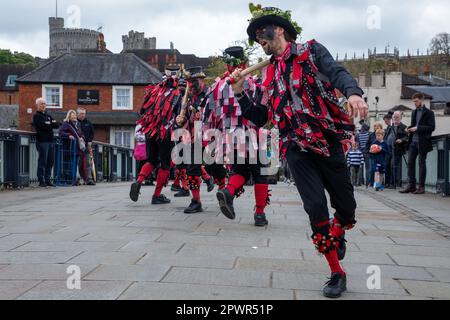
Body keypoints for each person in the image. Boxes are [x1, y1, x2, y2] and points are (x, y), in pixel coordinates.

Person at [228, 4, 368, 298]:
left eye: (261, 32)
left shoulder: (312, 51)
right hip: (295, 145)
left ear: (279, 30)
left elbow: (337, 72)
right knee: (315, 206)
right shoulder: (269, 74)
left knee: (346, 208)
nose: (258, 39)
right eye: (255, 37)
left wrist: (353, 92)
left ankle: (338, 233)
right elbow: (259, 117)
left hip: (327, 140)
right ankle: (336, 273)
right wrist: (240, 92)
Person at [205, 46, 271, 227]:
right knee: (260, 173)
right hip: (252, 136)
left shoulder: (217, 87)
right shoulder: (252, 83)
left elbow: (209, 115)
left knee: (240, 171)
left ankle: (228, 191)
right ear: (244, 62)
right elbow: (262, 109)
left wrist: (209, 140)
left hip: (228, 137)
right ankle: (259, 214)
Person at [129, 66, 182, 204]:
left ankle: (139, 181)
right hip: (165, 132)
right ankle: (157, 195)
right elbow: (179, 116)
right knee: (165, 164)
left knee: (151, 160)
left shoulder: (154, 90)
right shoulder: (178, 93)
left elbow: (142, 110)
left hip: (150, 131)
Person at [400, 93, 436, 194]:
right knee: (410, 163)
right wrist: (408, 128)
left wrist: (418, 128)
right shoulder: (414, 112)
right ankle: (411, 185)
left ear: (421, 100)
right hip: (413, 141)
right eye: (414, 101)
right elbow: (413, 125)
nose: (414, 103)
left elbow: (432, 127)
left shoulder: (429, 113)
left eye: (416, 101)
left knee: (421, 163)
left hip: (423, 142)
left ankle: (421, 187)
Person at [32, 98, 59, 188]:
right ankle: (41, 180)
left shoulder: (48, 115)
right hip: (42, 141)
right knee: (42, 161)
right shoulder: (36, 116)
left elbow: (56, 125)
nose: (43, 105)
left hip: (50, 141)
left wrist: (49, 123)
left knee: (50, 161)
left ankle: (48, 180)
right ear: (37, 105)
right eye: (41, 104)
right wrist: (50, 124)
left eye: (44, 103)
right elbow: (43, 126)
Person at [59, 110, 86, 186]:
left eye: (74, 115)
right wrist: (68, 135)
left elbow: (81, 134)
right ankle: (68, 179)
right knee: (69, 164)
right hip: (69, 147)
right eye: (72, 115)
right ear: (69, 116)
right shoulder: (66, 124)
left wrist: (82, 138)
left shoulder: (77, 125)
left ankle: (74, 179)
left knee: (75, 164)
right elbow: (61, 132)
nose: (74, 116)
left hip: (77, 148)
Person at [384, 111, 408, 188]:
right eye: (394, 117)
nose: (395, 119)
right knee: (387, 165)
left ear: (400, 118)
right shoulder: (390, 127)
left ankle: (393, 183)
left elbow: (407, 137)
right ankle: (387, 183)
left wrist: (401, 140)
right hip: (388, 149)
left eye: (397, 117)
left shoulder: (403, 127)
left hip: (397, 149)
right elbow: (386, 137)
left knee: (393, 165)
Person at [77, 108, 95, 185]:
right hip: (77, 147)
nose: (83, 115)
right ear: (77, 114)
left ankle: (89, 179)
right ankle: (79, 179)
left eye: (84, 113)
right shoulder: (75, 122)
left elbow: (92, 133)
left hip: (87, 146)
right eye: (81, 113)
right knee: (79, 163)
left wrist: (90, 141)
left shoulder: (88, 122)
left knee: (88, 163)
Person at [365, 122, 383, 188]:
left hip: (380, 155)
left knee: (379, 170)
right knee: (372, 169)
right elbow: (367, 144)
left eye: (378, 126)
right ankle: (371, 182)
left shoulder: (383, 134)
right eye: (375, 126)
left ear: (381, 127)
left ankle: (379, 183)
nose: (376, 127)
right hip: (372, 155)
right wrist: (367, 151)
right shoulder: (371, 135)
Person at [355, 121, 370, 186]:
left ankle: (359, 182)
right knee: (368, 167)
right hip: (367, 152)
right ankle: (367, 182)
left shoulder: (358, 135)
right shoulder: (369, 134)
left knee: (360, 167)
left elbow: (356, 143)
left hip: (360, 153)